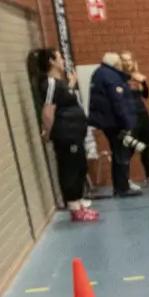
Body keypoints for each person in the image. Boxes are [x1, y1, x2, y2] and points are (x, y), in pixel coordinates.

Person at [27, 47, 97, 221]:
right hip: (66, 135)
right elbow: (48, 110)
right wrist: (47, 132)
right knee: (70, 170)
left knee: (80, 166)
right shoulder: (50, 83)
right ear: (51, 61)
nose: (63, 61)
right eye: (59, 57)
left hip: (75, 133)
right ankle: (74, 207)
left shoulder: (60, 83)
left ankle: (80, 202)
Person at [87, 51, 142, 196]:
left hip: (107, 121)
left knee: (119, 152)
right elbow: (118, 102)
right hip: (114, 122)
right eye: (119, 63)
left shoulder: (99, 73)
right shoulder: (112, 77)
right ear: (115, 64)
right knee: (121, 154)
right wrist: (127, 123)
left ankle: (120, 186)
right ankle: (122, 187)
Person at [118, 53, 149, 186]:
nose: (128, 63)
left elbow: (146, 95)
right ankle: (126, 179)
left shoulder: (137, 77)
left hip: (142, 113)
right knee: (131, 148)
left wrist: (144, 82)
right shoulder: (119, 78)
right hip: (130, 115)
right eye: (124, 60)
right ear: (120, 62)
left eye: (129, 60)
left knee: (146, 144)